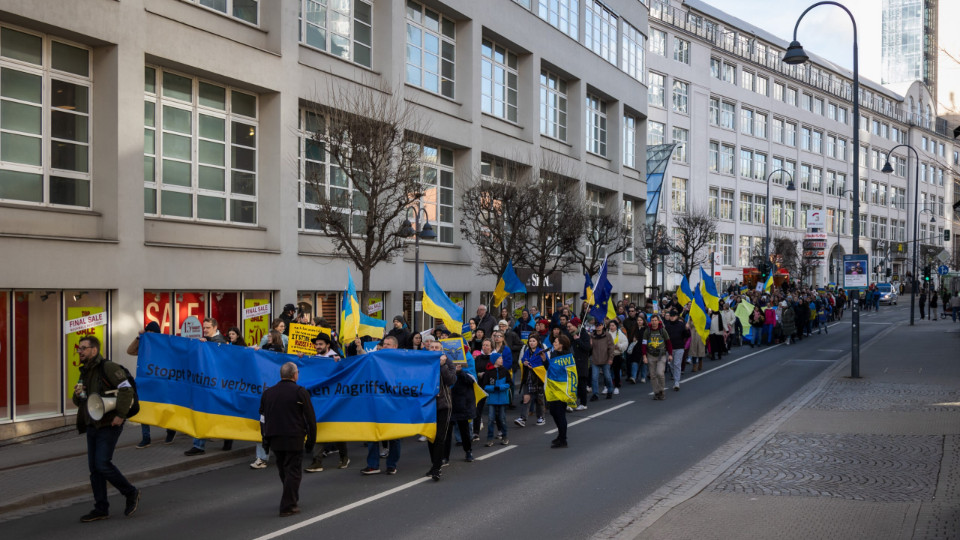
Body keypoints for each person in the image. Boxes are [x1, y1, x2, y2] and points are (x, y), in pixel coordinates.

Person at [73, 336, 140, 522]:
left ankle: (131, 493)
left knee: (102, 464)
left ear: (94, 350)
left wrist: (120, 415)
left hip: (110, 423)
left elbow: (127, 390)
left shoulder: (108, 367)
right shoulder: (84, 371)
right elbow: (81, 401)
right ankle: (101, 508)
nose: (80, 352)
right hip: (93, 424)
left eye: (83, 349)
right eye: (79, 349)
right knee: (95, 469)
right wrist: (77, 395)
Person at [260, 362, 317, 517]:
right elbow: (310, 419)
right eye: (297, 372)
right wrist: (311, 441)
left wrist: (264, 440)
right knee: (293, 471)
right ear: (294, 375)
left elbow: (263, 418)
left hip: (274, 438)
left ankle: (291, 497)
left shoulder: (268, 393)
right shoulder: (300, 392)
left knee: (284, 470)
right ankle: (287, 506)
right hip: (294, 437)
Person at [303, 334, 349, 473]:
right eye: (316, 344)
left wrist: (339, 363)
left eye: (320, 344)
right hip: (318, 401)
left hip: (333, 400)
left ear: (327, 345)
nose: (317, 347)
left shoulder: (335, 358)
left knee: (335, 430)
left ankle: (344, 456)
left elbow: (346, 373)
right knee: (318, 429)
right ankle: (317, 461)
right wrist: (301, 359)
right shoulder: (315, 358)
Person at [187, 318, 231, 456]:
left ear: (215, 327)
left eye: (207, 327)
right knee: (203, 413)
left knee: (218, 414)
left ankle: (227, 438)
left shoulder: (221, 342)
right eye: (204, 327)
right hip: (205, 384)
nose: (205, 330)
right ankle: (199, 445)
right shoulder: (206, 341)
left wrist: (206, 346)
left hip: (216, 385)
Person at [130, 322, 176, 449]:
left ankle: (170, 430)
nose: (149, 334)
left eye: (151, 332)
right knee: (143, 408)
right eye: (147, 331)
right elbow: (130, 351)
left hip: (161, 383)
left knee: (164, 408)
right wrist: (139, 338)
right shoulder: (144, 346)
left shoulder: (164, 346)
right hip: (146, 383)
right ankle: (146, 437)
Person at [362, 335, 402, 474]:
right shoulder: (375, 358)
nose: (384, 346)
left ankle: (392, 464)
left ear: (395, 347)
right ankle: (373, 464)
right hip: (376, 402)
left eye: (388, 344)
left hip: (394, 403)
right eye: (384, 344)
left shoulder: (402, 360)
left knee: (394, 436)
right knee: (373, 433)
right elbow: (360, 364)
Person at [423, 336, 457, 481]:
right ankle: (434, 464)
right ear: (428, 348)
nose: (434, 350)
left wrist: (442, 366)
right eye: (432, 347)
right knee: (430, 437)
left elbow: (451, 380)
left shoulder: (448, 362)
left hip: (444, 405)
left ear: (441, 350)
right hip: (428, 405)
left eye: (437, 348)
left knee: (440, 437)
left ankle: (437, 468)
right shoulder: (424, 363)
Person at [515, 334, 547, 426]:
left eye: (533, 341)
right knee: (526, 399)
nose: (531, 343)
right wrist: (524, 363)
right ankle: (523, 418)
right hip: (528, 378)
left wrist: (536, 365)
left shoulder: (541, 352)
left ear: (537, 342)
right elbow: (523, 359)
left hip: (538, 378)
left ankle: (541, 417)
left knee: (539, 399)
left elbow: (545, 364)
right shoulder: (527, 351)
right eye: (530, 341)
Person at [546, 335, 572, 448]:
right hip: (553, 387)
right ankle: (560, 435)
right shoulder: (554, 354)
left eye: (556, 342)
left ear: (561, 344)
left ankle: (563, 439)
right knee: (553, 411)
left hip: (562, 389)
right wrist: (544, 360)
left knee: (560, 414)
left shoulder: (568, 356)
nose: (554, 343)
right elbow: (550, 369)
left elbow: (570, 373)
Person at [481, 351, 511, 447]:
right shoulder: (488, 372)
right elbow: (484, 386)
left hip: (502, 398)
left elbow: (509, 383)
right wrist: (494, 388)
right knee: (490, 419)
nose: (502, 360)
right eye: (499, 358)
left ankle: (505, 436)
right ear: (494, 360)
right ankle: (489, 439)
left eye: (501, 358)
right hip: (492, 399)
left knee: (502, 418)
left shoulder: (505, 371)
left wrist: (501, 387)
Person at [642, 314, 674, 401]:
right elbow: (644, 344)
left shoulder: (662, 330)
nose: (654, 322)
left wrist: (670, 354)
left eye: (655, 320)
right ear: (650, 322)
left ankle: (661, 391)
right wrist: (644, 356)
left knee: (660, 373)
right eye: (652, 320)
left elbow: (668, 343)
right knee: (652, 375)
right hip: (651, 355)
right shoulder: (647, 331)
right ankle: (656, 392)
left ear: (658, 321)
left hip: (661, 355)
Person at [590, 321, 615, 401]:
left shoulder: (607, 335)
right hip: (595, 359)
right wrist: (590, 344)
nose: (598, 326)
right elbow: (589, 349)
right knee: (594, 378)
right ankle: (595, 394)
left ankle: (610, 391)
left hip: (605, 359)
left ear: (603, 326)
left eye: (600, 325)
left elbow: (611, 347)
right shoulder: (592, 335)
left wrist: (611, 358)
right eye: (596, 325)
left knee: (607, 377)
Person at [662, 310, 688, 389]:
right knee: (671, 365)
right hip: (669, 349)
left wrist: (687, 329)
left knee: (677, 364)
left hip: (679, 347)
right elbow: (664, 337)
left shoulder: (681, 325)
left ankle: (677, 382)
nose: (672, 317)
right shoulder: (667, 326)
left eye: (674, 316)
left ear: (677, 316)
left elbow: (686, 335)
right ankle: (675, 376)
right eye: (671, 316)